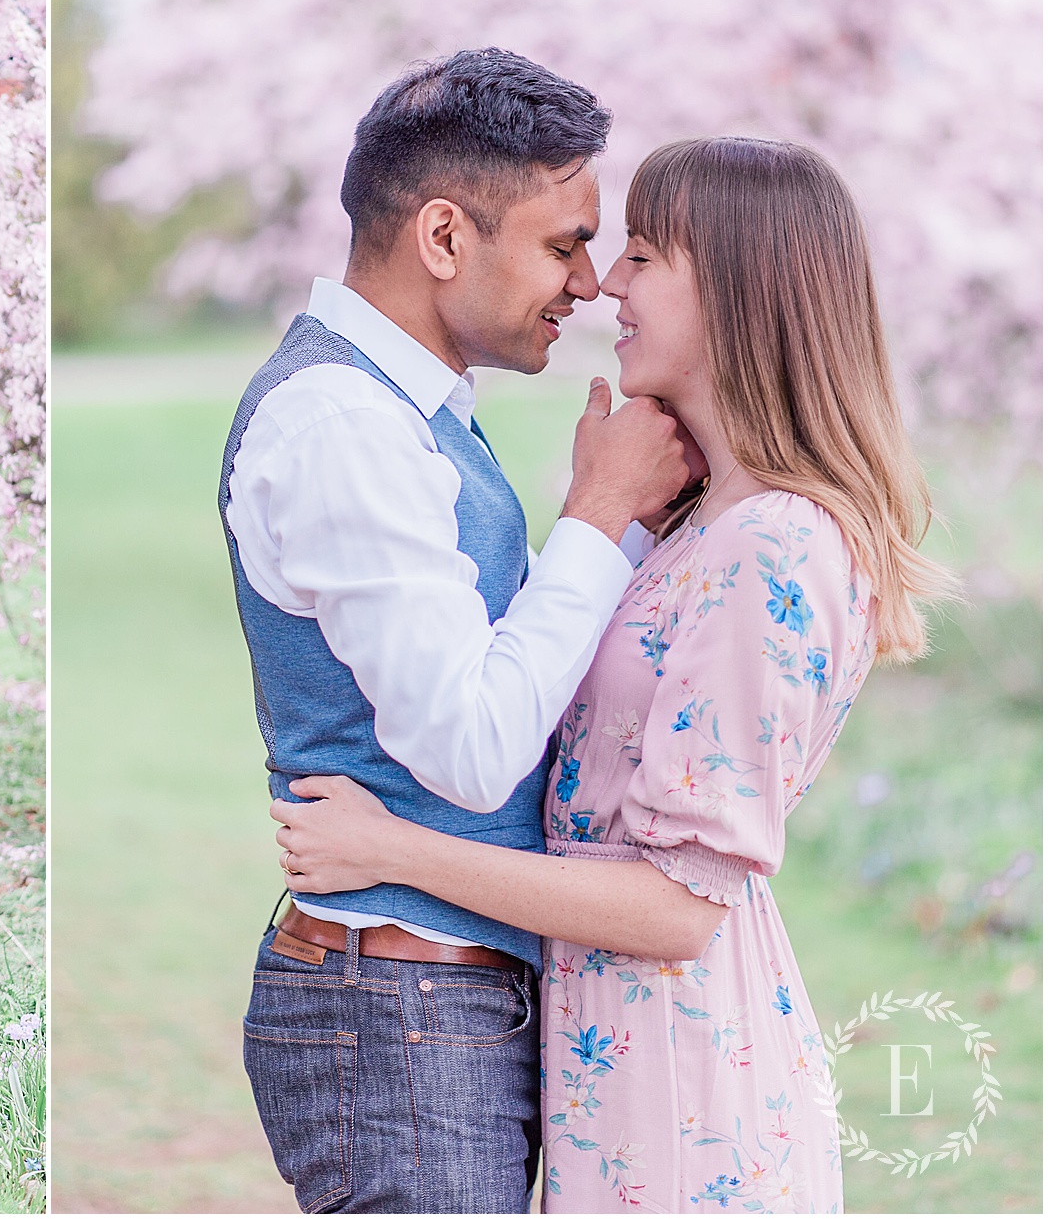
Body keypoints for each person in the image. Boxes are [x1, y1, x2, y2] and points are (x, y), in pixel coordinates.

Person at [275, 136, 955, 1212]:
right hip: (619, 1068)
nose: (602, 285)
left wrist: (391, 848)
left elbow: (679, 906)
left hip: (683, 1101)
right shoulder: (701, 527)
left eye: (641, 255)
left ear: (740, 289)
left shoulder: (772, 543)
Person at [223, 48, 694, 1213]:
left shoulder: (406, 413)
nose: (586, 284)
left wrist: (627, 531)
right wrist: (594, 513)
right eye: (560, 243)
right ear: (442, 238)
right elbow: (470, 747)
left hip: (432, 1005)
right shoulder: (340, 425)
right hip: (396, 1011)